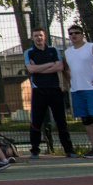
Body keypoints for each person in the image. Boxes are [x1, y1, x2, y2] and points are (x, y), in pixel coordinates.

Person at [24, 26, 77, 157]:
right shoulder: (29, 53)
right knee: (36, 121)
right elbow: (31, 70)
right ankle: (35, 150)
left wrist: (39, 68)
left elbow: (60, 66)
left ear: (45, 36)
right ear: (32, 38)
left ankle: (69, 150)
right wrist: (49, 65)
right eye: (36, 36)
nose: (39, 38)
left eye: (41, 35)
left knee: (61, 120)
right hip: (38, 90)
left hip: (55, 89)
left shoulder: (53, 50)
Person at [62, 23, 93, 157]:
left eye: (76, 33)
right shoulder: (68, 52)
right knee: (86, 120)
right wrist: (70, 82)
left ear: (82, 34)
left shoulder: (92, 47)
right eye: (71, 33)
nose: (73, 35)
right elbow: (65, 69)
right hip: (77, 90)